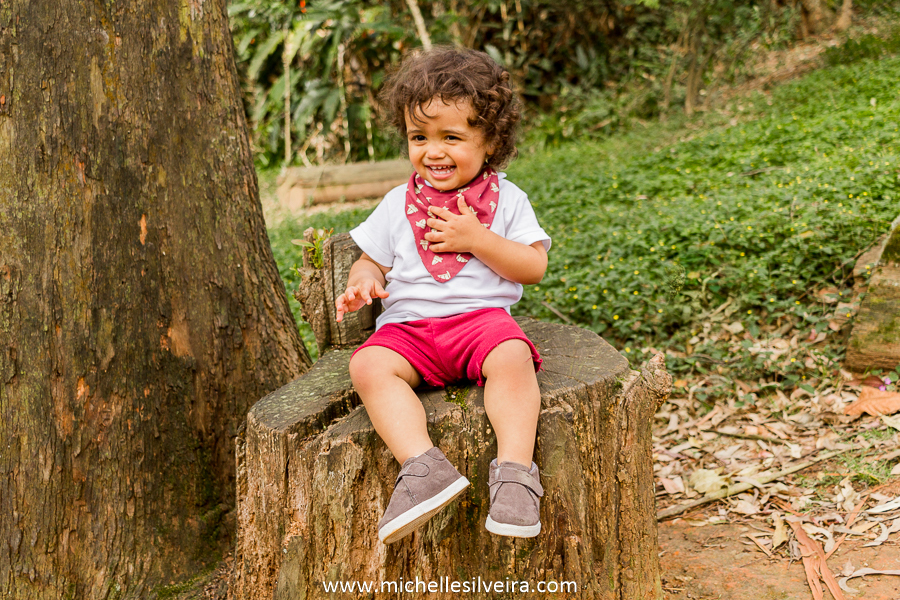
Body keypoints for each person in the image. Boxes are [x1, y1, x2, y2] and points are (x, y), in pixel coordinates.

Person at [335, 46, 551, 545]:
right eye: (419, 137)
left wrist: (478, 239)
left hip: (481, 323)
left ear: (490, 142)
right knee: (367, 367)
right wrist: (364, 277)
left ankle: (516, 476)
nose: (433, 151)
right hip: (409, 329)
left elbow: (534, 266)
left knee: (515, 356)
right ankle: (423, 467)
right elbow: (372, 257)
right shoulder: (397, 203)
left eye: (451, 137)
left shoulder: (507, 199)